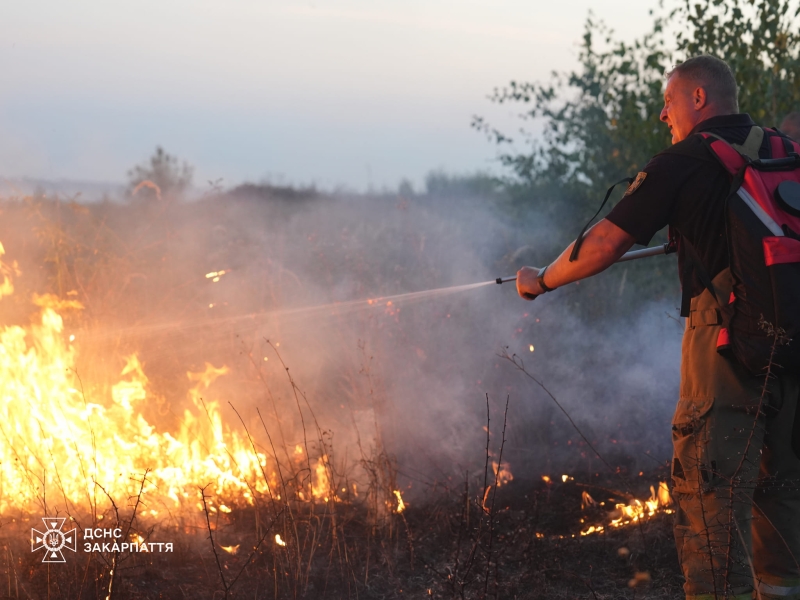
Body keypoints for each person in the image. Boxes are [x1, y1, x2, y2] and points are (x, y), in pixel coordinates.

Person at [517, 55, 800, 600]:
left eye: (668, 102)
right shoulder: (783, 154)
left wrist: (541, 281)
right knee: (785, 510)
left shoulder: (684, 161)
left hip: (724, 358)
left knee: (711, 512)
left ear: (698, 98)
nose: (662, 115)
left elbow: (602, 245)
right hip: (795, 360)